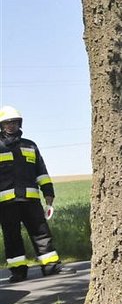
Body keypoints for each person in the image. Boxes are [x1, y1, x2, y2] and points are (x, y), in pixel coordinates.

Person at [0, 106, 60, 282]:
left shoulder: (30, 145)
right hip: (6, 203)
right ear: (1, 126)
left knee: (41, 234)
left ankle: (50, 266)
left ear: (19, 124)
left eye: (14, 122)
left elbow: (41, 172)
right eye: (7, 123)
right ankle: (18, 271)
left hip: (30, 201)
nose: (11, 125)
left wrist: (48, 193)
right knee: (12, 237)